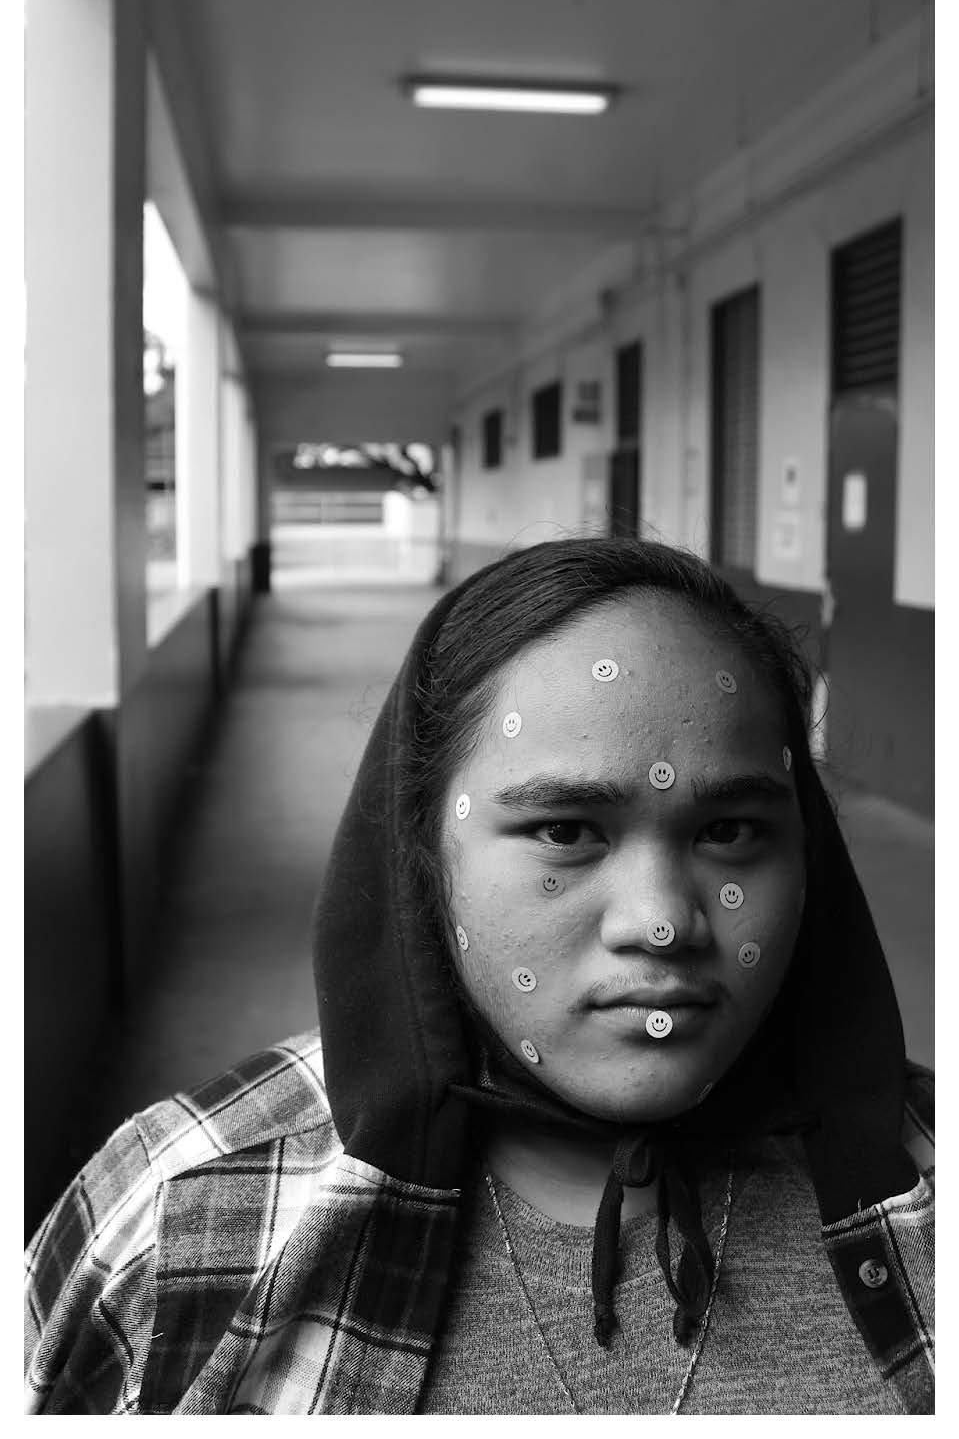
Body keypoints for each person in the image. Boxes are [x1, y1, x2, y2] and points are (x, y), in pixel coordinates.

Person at [24, 538, 934, 1414]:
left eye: (729, 832)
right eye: (565, 831)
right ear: (423, 849)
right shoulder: (176, 1223)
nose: (661, 922)